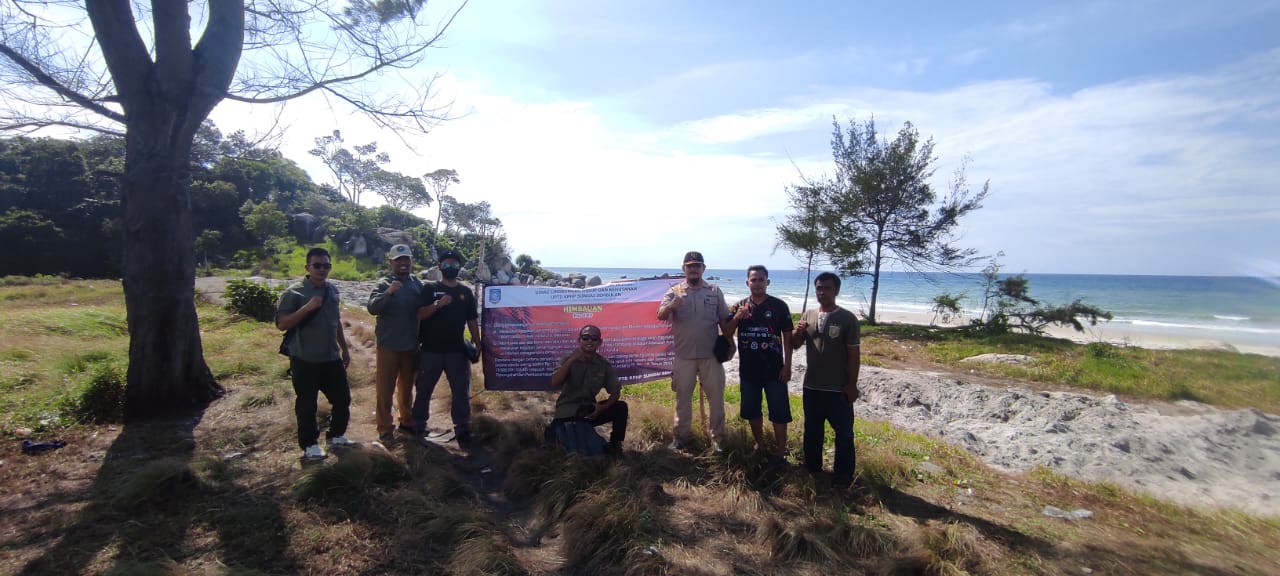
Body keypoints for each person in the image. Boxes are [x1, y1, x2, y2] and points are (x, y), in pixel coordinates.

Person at [275, 247, 353, 460]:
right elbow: (282, 324)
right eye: (317, 265)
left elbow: (335, 321)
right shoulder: (294, 293)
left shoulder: (333, 291)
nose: (322, 269)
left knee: (342, 398)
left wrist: (344, 349)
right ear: (307, 267)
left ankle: (336, 435)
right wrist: (307, 308)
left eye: (326, 265)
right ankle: (309, 445)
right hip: (305, 358)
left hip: (331, 358)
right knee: (307, 404)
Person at [657, 250, 732, 451]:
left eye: (697, 265)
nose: (693, 269)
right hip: (684, 356)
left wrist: (731, 343)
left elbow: (725, 320)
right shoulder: (675, 291)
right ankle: (680, 438)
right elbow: (661, 315)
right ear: (684, 269)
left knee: (716, 400)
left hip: (711, 356)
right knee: (682, 400)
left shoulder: (714, 291)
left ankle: (717, 439)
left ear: (703, 269)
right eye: (689, 266)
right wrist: (673, 305)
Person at [791, 272, 860, 489]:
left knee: (844, 434)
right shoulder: (808, 315)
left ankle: (843, 476)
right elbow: (794, 344)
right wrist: (797, 332)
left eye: (827, 288)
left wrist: (851, 384)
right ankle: (812, 467)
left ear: (836, 291)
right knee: (812, 430)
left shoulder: (848, 319)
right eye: (819, 288)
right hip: (812, 385)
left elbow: (854, 355)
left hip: (837, 387)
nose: (822, 292)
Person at [412, 249, 481, 446]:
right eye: (446, 264)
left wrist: (477, 342)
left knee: (460, 392)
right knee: (424, 390)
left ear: (460, 268)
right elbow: (420, 314)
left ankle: (462, 429)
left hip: (457, 351)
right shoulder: (429, 289)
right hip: (430, 350)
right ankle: (418, 426)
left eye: (454, 264)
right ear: (440, 267)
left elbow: (472, 320)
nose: (451, 267)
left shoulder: (465, 292)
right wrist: (437, 305)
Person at [724, 265, 793, 462]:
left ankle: (780, 451)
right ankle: (759, 445)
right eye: (753, 280)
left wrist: (787, 366)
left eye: (761, 279)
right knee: (752, 411)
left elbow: (787, 337)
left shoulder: (779, 306)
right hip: (749, 371)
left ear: (767, 282)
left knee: (779, 413)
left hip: (775, 370)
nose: (757, 283)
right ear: (747, 283)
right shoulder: (739, 306)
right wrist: (737, 317)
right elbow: (727, 332)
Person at [367, 244, 423, 443]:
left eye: (406, 259)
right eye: (398, 259)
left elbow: (424, 312)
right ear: (390, 262)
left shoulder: (417, 284)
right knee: (385, 389)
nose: (403, 263)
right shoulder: (384, 283)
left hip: (411, 345)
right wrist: (389, 293)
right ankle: (384, 428)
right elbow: (372, 308)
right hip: (388, 345)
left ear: (411, 261)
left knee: (407, 387)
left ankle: (406, 421)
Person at [547, 325, 628, 454]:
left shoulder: (603, 364)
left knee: (621, 407)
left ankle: (615, 446)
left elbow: (615, 392)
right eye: (585, 338)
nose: (589, 341)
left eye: (594, 338)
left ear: (599, 342)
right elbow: (555, 382)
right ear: (579, 340)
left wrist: (602, 408)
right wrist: (572, 360)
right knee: (570, 447)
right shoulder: (568, 359)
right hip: (567, 411)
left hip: (589, 411)